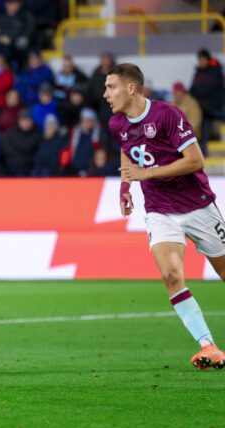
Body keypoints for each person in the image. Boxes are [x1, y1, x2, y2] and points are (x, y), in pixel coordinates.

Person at [106, 63, 225, 369]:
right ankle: (208, 346)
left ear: (131, 88)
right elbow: (126, 149)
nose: (105, 94)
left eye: (111, 87)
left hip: (198, 206)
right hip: (160, 211)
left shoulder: (167, 115)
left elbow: (195, 161)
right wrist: (125, 187)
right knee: (170, 276)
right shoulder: (116, 123)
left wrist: (147, 173)